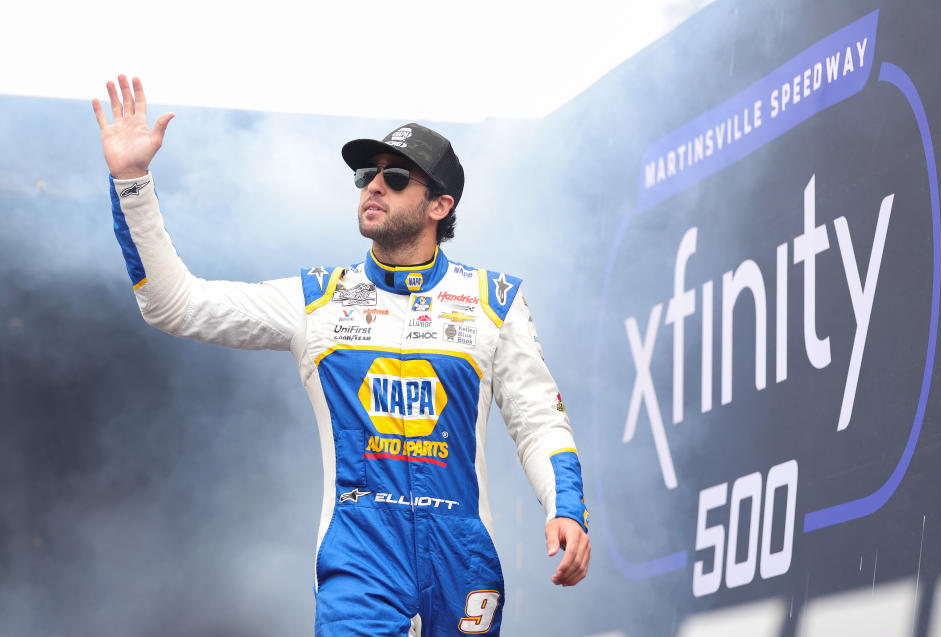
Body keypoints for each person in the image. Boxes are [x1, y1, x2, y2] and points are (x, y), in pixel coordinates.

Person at [93, 75, 590, 637]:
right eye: (366, 174)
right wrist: (131, 180)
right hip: (361, 558)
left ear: (440, 206)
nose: (373, 186)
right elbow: (174, 305)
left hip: (463, 558)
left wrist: (566, 508)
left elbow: (538, 422)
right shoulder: (319, 300)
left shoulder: (493, 301)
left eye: (396, 177)